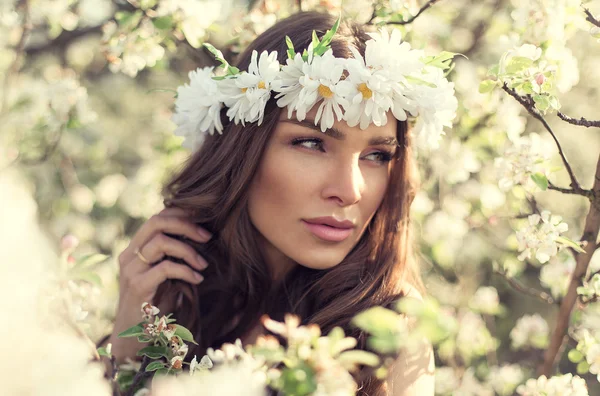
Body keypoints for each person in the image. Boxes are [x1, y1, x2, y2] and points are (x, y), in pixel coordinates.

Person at [105, 11, 446, 395]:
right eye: (312, 143)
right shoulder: (181, 296)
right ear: (241, 151)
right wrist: (129, 349)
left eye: (377, 156)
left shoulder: (393, 325)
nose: (350, 191)